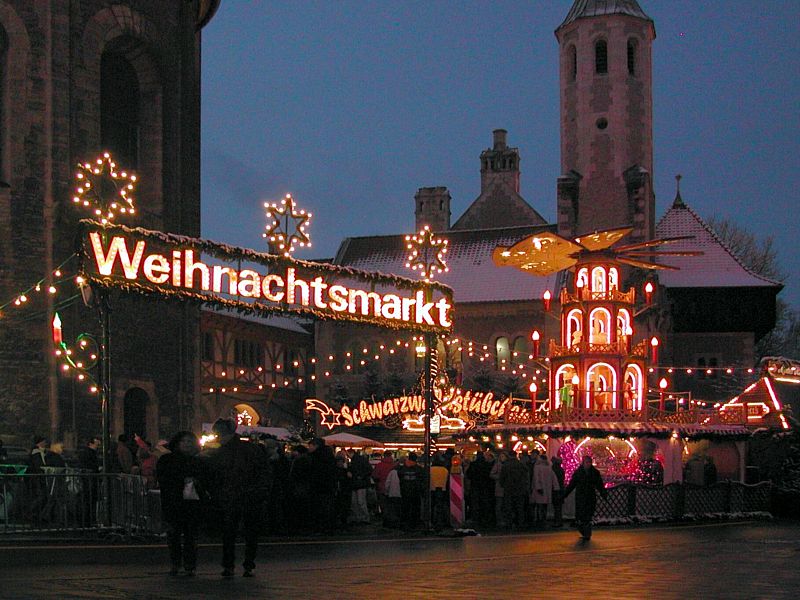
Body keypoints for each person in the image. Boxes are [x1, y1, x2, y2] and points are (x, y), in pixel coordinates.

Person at [205, 418, 270, 577]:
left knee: (230, 533)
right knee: (248, 532)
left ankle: (229, 565)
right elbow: (264, 473)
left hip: (234, 496)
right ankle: (247, 564)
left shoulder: (221, 452)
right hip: (247, 496)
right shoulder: (250, 449)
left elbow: (215, 476)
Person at [156, 431, 205, 576]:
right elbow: (164, 479)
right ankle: (176, 563)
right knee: (174, 534)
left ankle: (189, 564)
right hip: (174, 502)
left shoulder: (197, 461)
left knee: (191, 536)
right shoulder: (167, 460)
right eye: (184, 441)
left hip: (192, 503)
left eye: (190, 441)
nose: (187, 444)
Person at [563, 455, 607, 540]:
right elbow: (572, 484)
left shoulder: (594, 473)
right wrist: (565, 494)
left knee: (587, 516)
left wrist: (603, 493)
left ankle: (587, 533)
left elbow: (599, 485)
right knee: (581, 516)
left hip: (590, 497)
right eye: (587, 462)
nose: (588, 464)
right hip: (581, 497)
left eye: (589, 462)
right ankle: (584, 531)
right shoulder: (579, 472)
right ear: (583, 463)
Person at [307, 437, 337, 533]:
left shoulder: (316, 456)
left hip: (320, 486)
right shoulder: (328, 455)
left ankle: (321, 527)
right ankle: (327, 526)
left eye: (310, 446)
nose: (309, 448)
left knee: (320, 507)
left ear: (315, 446)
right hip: (328, 486)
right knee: (327, 507)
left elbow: (315, 472)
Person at [499, 451, 529, 530]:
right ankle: (520, 523)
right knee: (519, 508)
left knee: (509, 507)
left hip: (509, 489)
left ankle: (509, 524)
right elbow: (526, 476)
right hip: (520, 489)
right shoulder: (521, 465)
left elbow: (502, 478)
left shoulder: (506, 465)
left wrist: (503, 485)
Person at [397, 452, 424, 530]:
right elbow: (422, 479)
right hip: (416, 492)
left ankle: (404, 524)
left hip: (405, 491)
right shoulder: (419, 469)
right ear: (416, 459)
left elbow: (400, 477)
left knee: (405, 508)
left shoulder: (402, 468)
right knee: (415, 509)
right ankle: (414, 524)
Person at [532, 454, 559, 528]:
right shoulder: (549, 467)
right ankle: (543, 519)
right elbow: (554, 478)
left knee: (539, 505)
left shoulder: (537, 467)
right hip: (547, 489)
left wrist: (538, 487)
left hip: (540, 489)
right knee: (544, 505)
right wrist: (556, 487)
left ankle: (539, 520)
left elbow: (536, 478)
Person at [371, 450, 396, 525]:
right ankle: (392, 520)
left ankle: (385, 520)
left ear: (384, 456)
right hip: (393, 488)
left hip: (381, 487)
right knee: (391, 505)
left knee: (383, 505)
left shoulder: (379, 465)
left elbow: (374, 475)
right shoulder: (394, 465)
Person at [348, 449, 372, 524]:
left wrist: (359, 476)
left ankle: (360, 517)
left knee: (357, 502)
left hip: (357, 483)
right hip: (360, 483)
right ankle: (363, 517)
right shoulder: (361, 459)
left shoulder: (354, 461)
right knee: (360, 502)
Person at [430, 453, 450, 530]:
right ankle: (441, 521)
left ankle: (432, 520)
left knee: (432, 506)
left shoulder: (430, 469)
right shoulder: (445, 470)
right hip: (442, 489)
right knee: (440, 506)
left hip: (432, 489)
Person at [551, 456, 566, 527]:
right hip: (560, 489)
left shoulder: (553, 469)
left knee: (556, 506)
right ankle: (558, 520)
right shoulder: (561, 470)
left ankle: (557, 521)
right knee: (558, 506)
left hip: (555, 489)